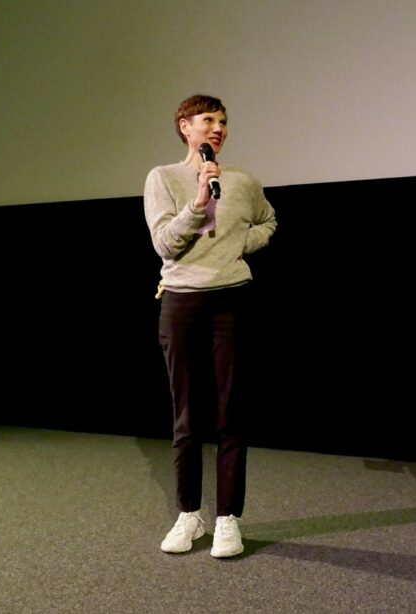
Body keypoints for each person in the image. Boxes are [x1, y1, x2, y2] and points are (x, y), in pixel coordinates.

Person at [144, 94, 277, 558]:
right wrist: (198, 202)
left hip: (232, 300)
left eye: (223, 121)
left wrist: (242, 241)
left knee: (230, 413)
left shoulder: (241, 181)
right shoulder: (163, 178)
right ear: (185, 126)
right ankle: (188, 515)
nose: (218, 128)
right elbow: (165, 244)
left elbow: (269, 221)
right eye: (208, 120)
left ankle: (227, 519)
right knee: (187, 417)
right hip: (182, 301)